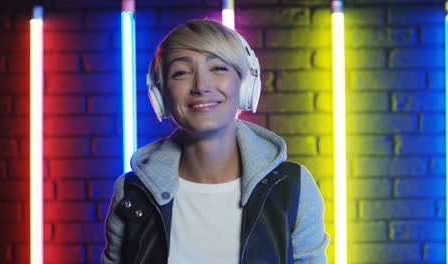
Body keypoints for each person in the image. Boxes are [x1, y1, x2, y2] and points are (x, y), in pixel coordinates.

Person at [102, 19, 329, 264]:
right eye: (181, 73)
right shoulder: (131, 193)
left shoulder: (293, 188)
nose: (201, 86)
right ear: (161, 95)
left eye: (218, 68)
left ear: (245, 85)